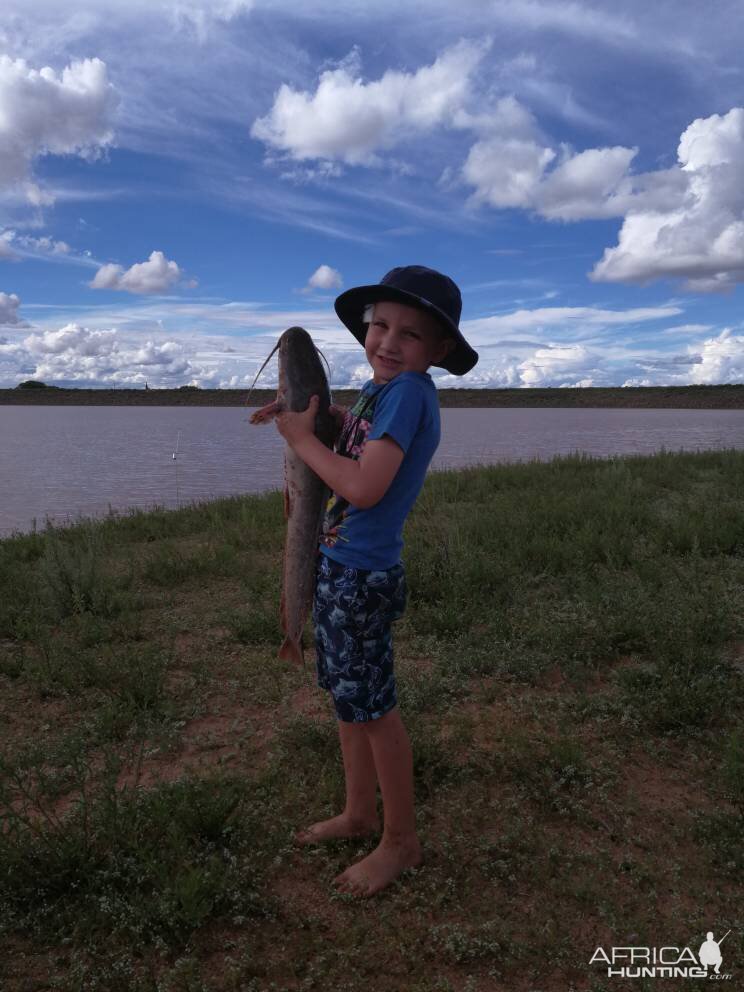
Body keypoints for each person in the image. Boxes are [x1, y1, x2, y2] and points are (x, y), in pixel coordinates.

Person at [275, 265, 478, 896]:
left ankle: (400, 842)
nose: (388, 341)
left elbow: (364, 485)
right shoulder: (382, 391)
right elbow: (359, 445)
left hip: (362, 579)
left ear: (438, 350)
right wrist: (316, 421)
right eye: (380, 325)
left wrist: (302, 445)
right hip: (340, 569)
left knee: (377, 712)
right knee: (349, 702)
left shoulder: (411, 395)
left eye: (409, 334)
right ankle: (360, 811)